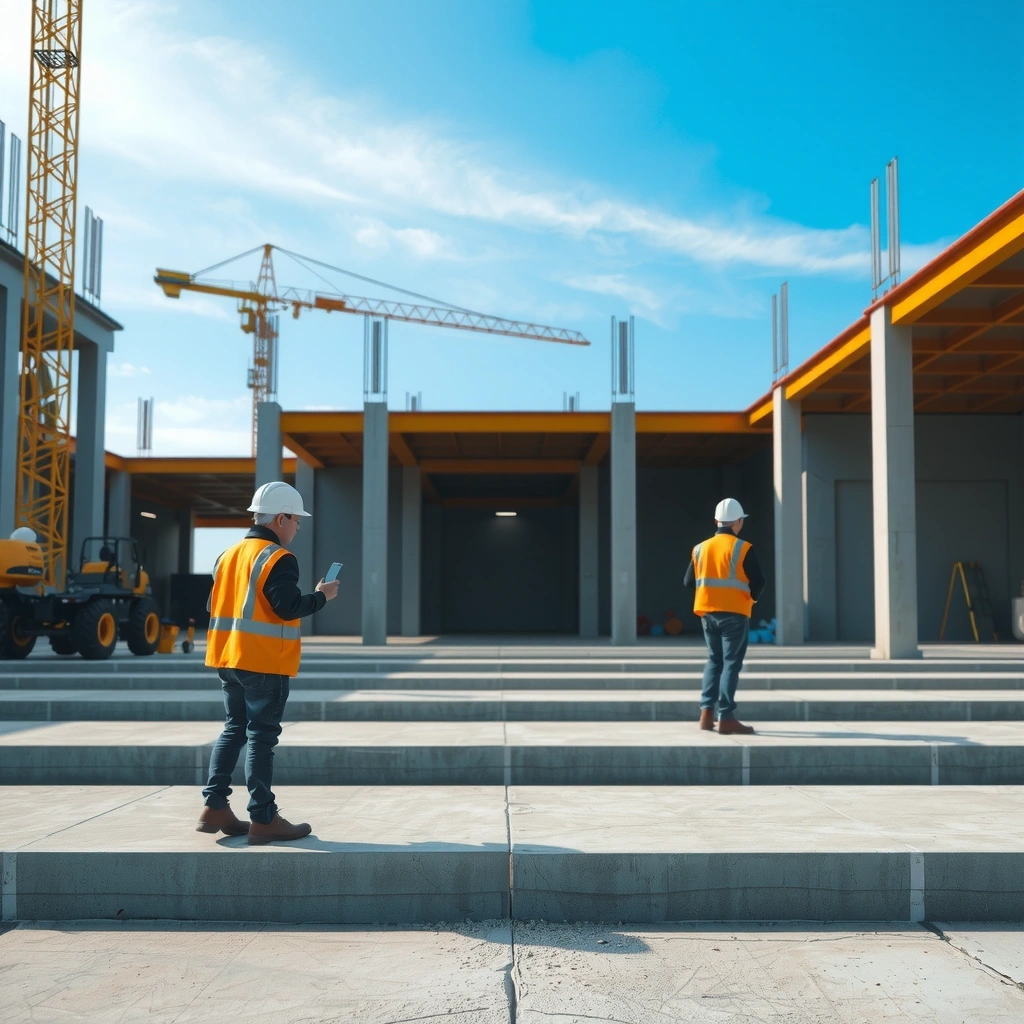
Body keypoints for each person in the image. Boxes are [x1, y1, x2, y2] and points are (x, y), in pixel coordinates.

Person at [197, 480, 339, 844]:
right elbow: (287, 607)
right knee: (261, 736)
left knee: (234, 729)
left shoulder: (227, 556)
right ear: (280, 518)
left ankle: (214, 806)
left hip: (227, 657)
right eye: (296, 521)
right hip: (262, 661)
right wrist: (321, 597)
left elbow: (212, 606)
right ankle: (263, 817)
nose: (297, 528)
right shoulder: (278, 558)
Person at [683, 497, 766, 735]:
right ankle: (726, 716)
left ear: (716, 521)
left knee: (714, 661)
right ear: (738, 522)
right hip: (735, 614)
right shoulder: (742, 548)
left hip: (707, 612)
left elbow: (688, 582)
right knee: (731, 664)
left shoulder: (700, 548)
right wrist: (751, 598)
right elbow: (760, 581)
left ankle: (706, 714)